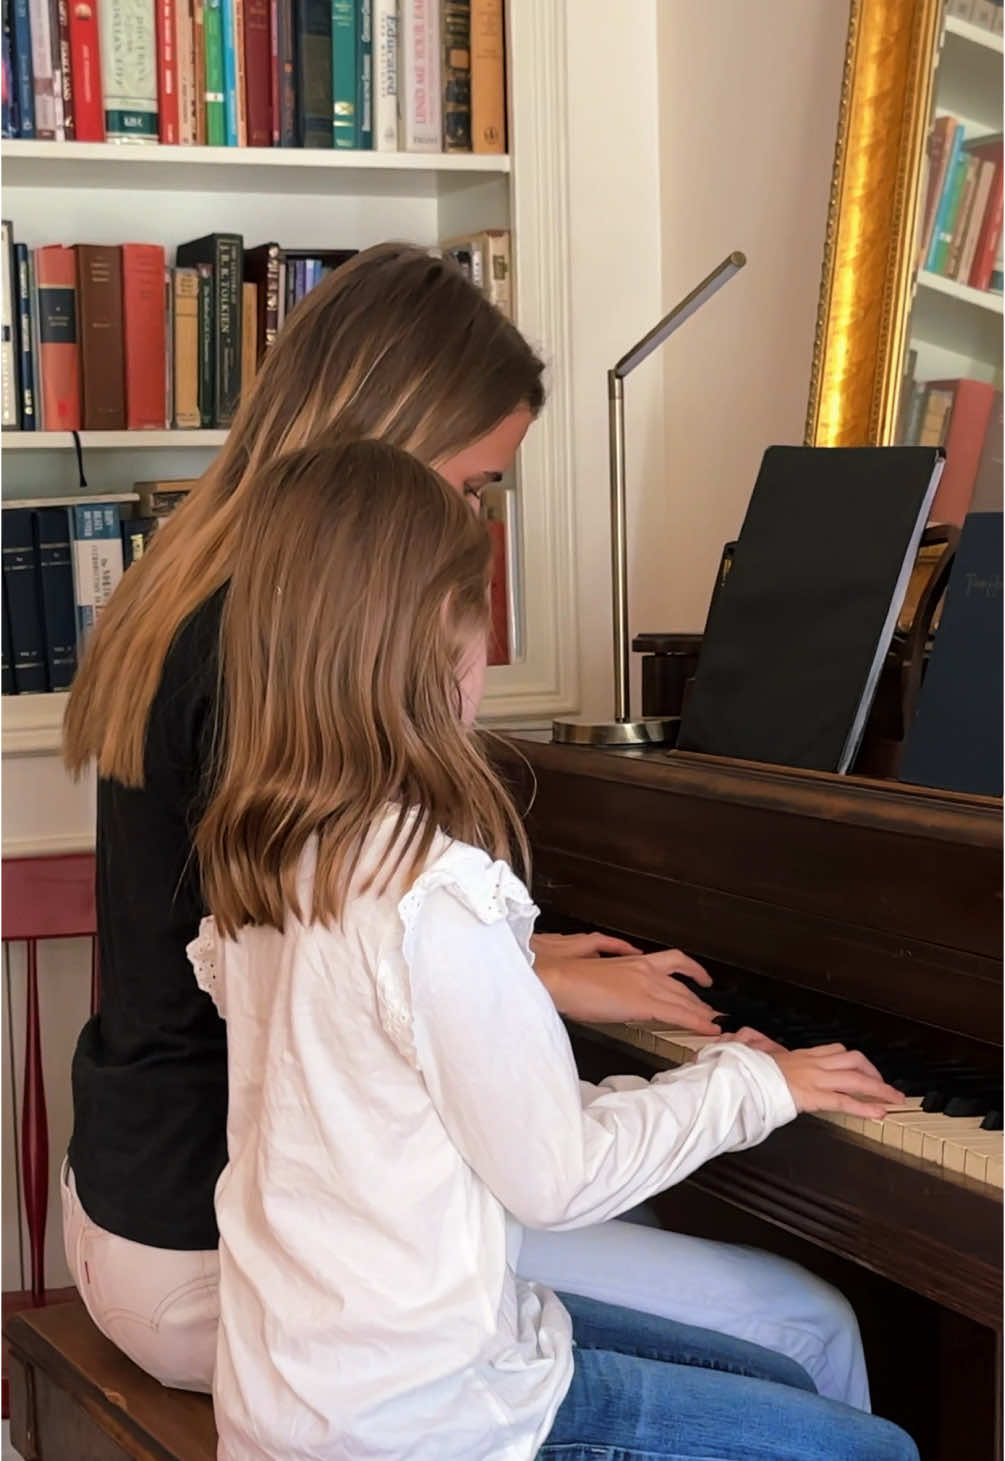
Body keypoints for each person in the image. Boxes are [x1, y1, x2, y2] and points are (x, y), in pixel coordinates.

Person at [64, 243, 870, 1407]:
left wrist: (520, 963)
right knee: (798, 1321)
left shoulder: (197, 595)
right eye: (473, 488)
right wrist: (523, 981)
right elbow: (357, 964)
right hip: (229, 1262)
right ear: (380, 455)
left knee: (607, 1216)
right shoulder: (267, 655)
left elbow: (300, 931)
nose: (475, 527)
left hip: (135, 1198)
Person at [180, 435, 917, 1460]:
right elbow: (555, 1179)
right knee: (875, 1452)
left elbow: (465, 1116)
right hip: (426, 1422)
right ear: (436, 640)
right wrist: (760, 1082)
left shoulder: (280, 853)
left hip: (315, 1380)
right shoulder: (423, 893)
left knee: (790, 1372)